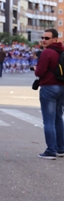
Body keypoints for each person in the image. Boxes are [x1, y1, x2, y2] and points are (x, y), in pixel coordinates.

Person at [34, 28, 64, 159]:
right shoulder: (61, 51)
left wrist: (36, 69)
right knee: (58, 118)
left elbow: (39, 72)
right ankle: (61, 148)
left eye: (47, 38)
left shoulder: (47, 53)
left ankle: (51, 150)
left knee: (48, 121)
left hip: (49, 88)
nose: (43, 40)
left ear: (55, 39)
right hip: (61, 87)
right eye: (42, 38)